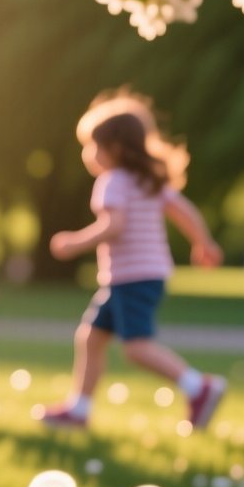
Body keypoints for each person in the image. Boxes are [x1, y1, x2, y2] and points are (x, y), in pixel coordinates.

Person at [41, 92, 225, 430]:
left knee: (137, 348)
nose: (88, 154)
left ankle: (199, 387)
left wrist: (74, 243)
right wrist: (204, 242)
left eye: (93, 146)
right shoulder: (149, 179)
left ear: (115, 149)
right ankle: (78, 409)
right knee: (91, 339)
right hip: (141, 275)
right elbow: (183, 210)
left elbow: (114, 225)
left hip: (131, 277)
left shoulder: (112, 181)